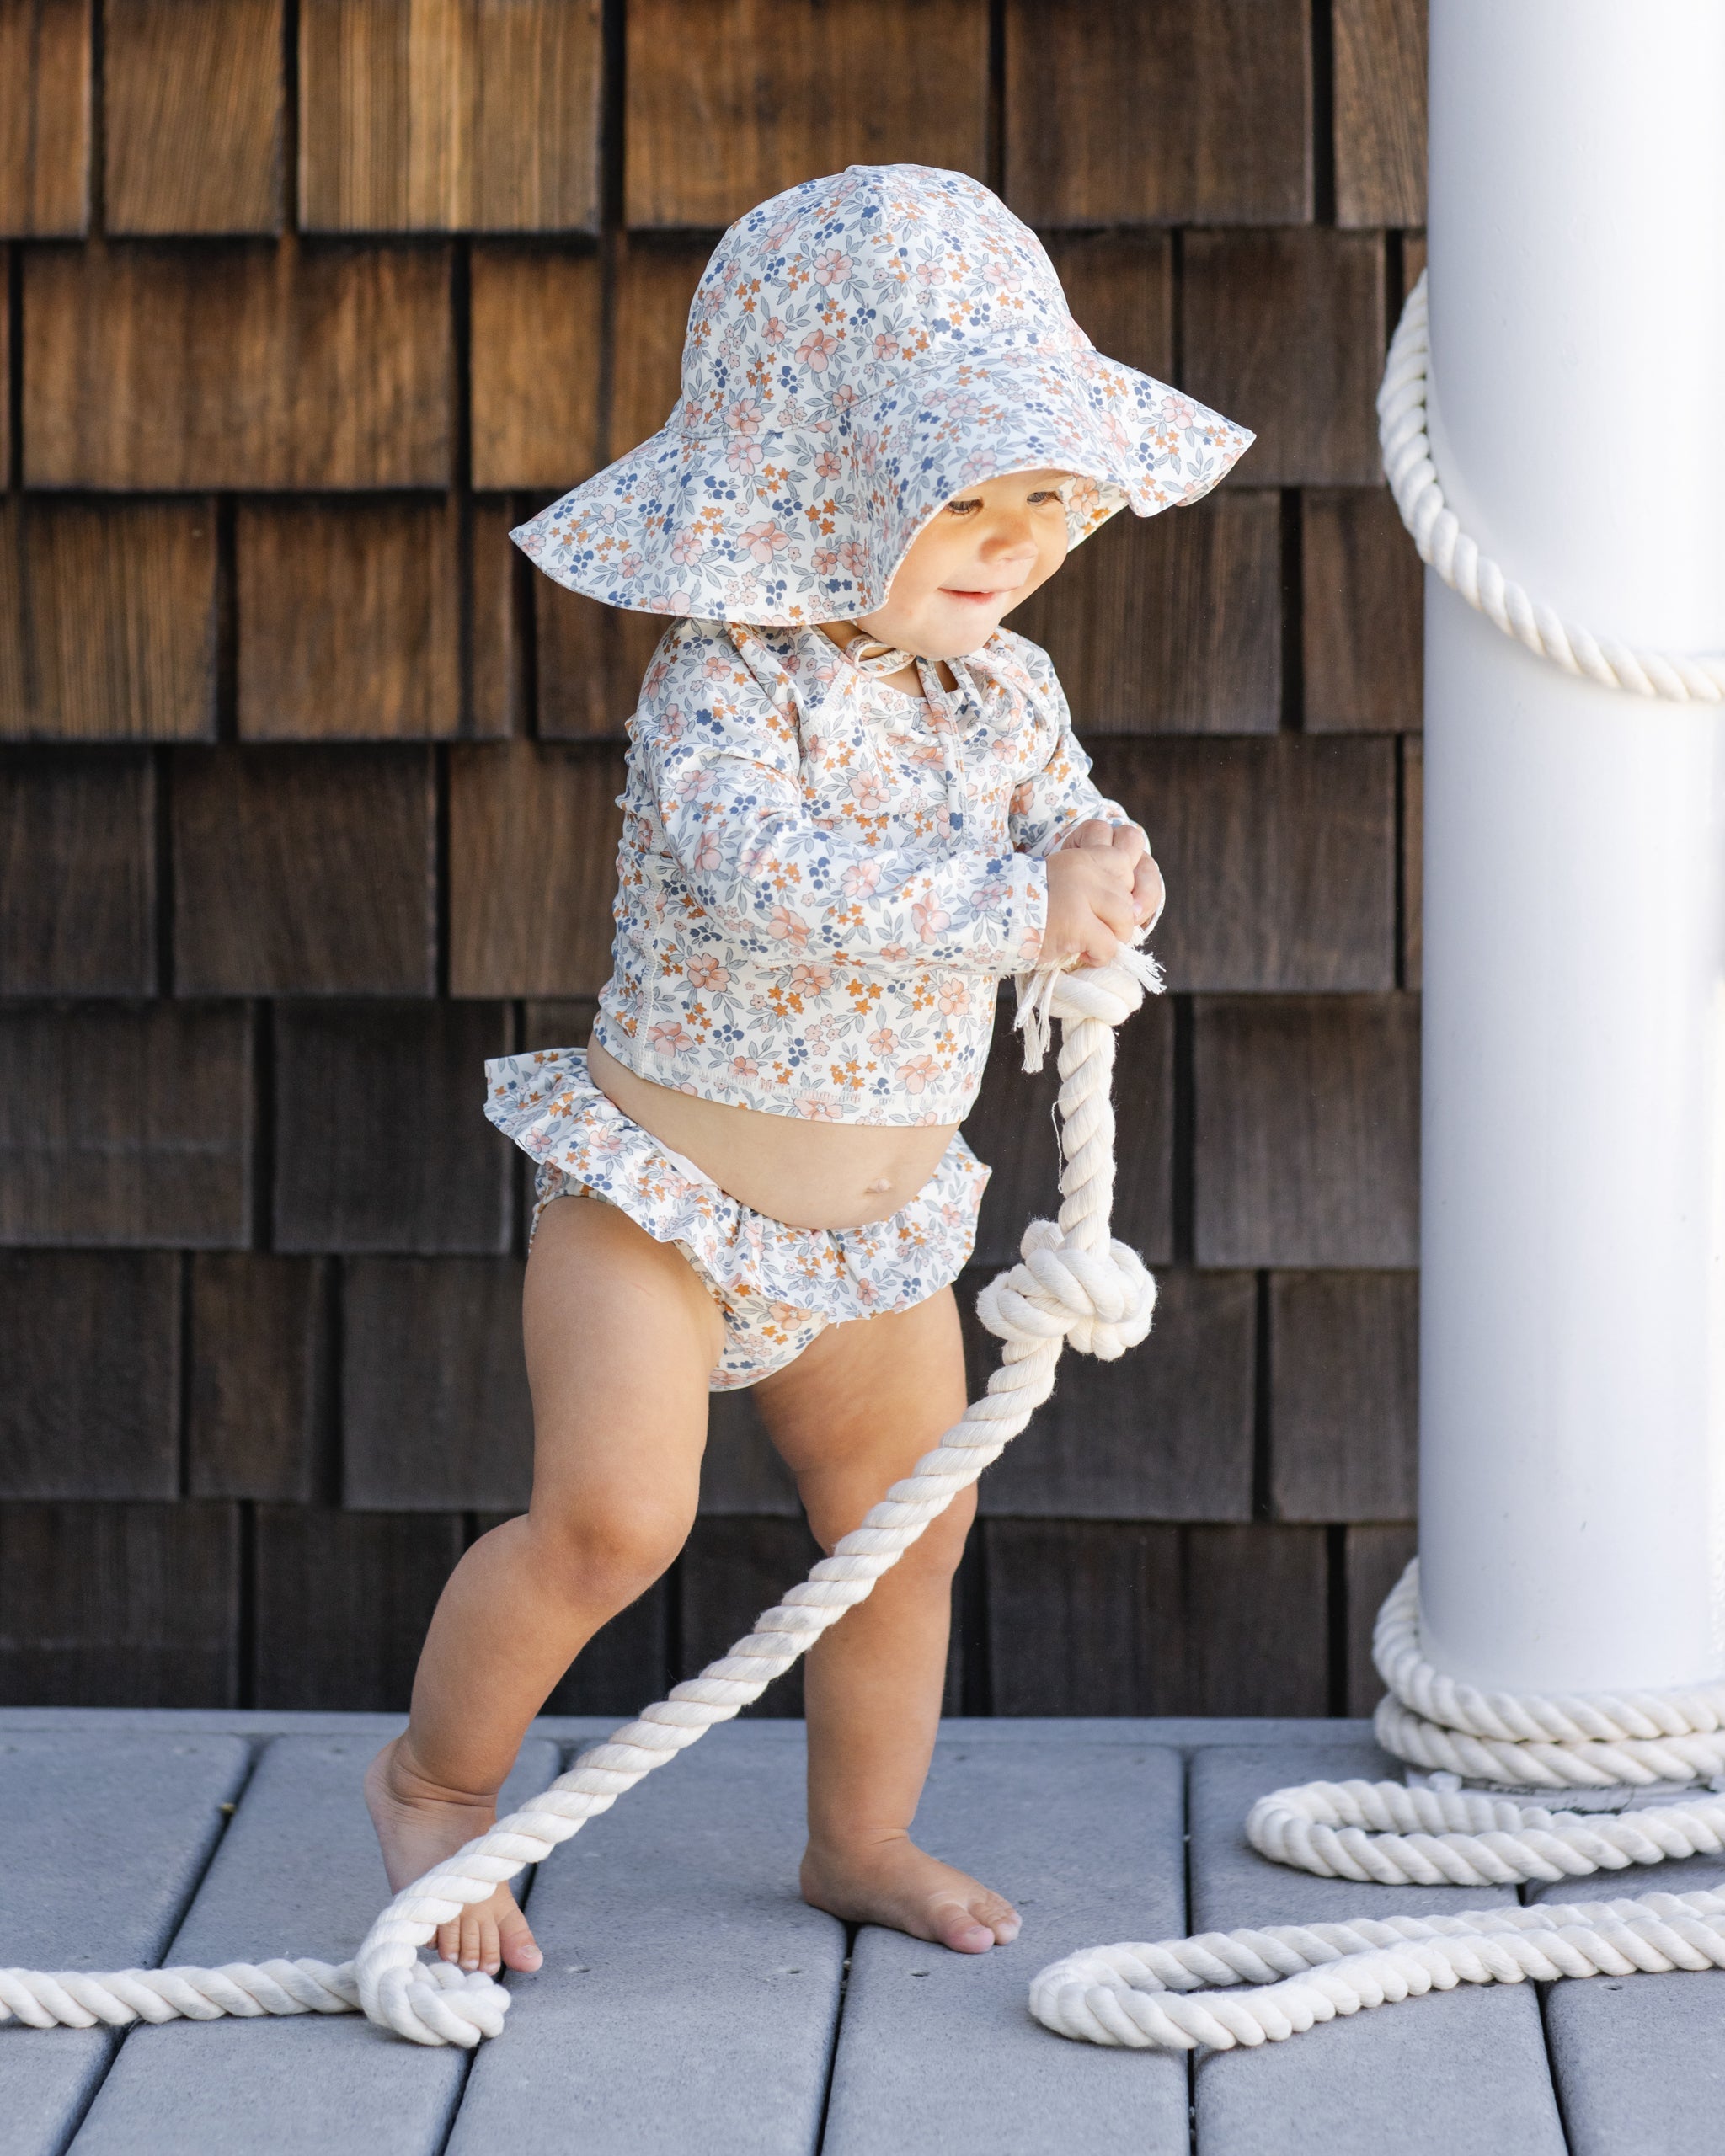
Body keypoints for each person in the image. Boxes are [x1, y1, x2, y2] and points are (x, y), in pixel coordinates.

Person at [366, 163, 1251, 1983]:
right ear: (824, 489)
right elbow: (772, 878)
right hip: (664, 1201)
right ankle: (439, 1784)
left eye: (1042, 503)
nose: (1008, 547)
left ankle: (857, 1835)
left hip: (875, 1235)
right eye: (960, 507)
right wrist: (1021, 906)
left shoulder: (1001, 689)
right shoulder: (728, 687)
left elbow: (1058, 812)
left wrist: (1101, 862)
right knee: (611, 1520)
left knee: (906, 1530)